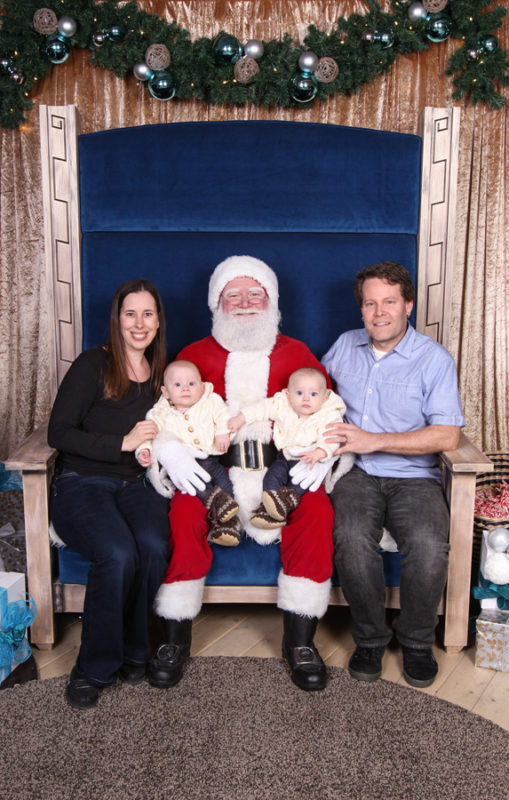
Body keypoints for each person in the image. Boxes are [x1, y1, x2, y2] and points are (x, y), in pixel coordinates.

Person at [145, 255, 344, 692]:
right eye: (233, 295)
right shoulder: (193, 357)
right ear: (217, 303)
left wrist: (325, 454)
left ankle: (301, 641)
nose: (245, 302)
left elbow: (328, 413)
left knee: (317, 512)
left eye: (255, 293)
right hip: (213, 469)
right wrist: (171, 452)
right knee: (182, 512)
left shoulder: (297, 355)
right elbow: (164, 416)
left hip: (284, 469)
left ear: (271, 301)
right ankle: (174, 638)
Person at [321, 261, 465, 688]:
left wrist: (373, 439)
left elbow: (447, 436)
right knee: (349, 536)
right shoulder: (344, 346)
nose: (379, 312)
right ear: (361, 309)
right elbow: (311, 392)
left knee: (426, 543)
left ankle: (417, 641)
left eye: (389, 302)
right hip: (353, 471)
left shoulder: (433, 360)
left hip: (414, 476)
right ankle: (369, 638)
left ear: (408, 305)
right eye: (370, 303)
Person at [48, 279, 170, 709]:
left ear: (158, 321)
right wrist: (121, 441)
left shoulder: (161, 372)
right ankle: (94, 666)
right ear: (117, 319)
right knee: (117, 552)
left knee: (154, 544)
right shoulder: (92, 364)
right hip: (82, 482)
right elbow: (58, 432)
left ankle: (136, 650)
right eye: (130, 313)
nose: (140, 323)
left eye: (148, 314)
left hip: (134, 484)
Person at [228, 367, 349, 528]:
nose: (306, 399)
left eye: (313, 394)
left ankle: (283, 505)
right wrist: (241, 418)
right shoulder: (282, 404)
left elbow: (333, 437)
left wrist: (320, 452)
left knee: (299, 486)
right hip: (285, 456)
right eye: (299, 393)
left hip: (309, 461)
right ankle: (269, 509)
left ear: (325, 398)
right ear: (288, 395)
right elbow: (262, 408)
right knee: (271, 479)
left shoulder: (329, 414)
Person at [136, 360, 240, 546]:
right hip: (182, 466)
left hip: (211, 460)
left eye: (191, 384)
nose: (185, 388)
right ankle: (215, 502)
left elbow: (223, 415)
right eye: (178, 385)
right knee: (194, 488)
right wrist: (144, 449)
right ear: (166, 392)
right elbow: (149, 435)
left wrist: (222, 431)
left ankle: (229, 525)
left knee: (226, 484)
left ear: (201, 387)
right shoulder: (159, 414)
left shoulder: (210, 401)